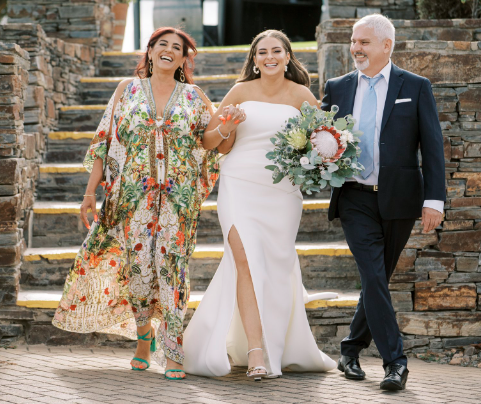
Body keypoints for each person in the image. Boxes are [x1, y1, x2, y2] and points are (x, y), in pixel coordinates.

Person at [52, 27, 219, 380]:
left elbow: (211, 142)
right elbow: (103, 143)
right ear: (150, 50)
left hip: (179, 199)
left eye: (178, 48)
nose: (169, 51)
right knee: (140, 272)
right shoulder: (125, 90)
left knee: (171, 270)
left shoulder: (194, 96)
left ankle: (173, 350)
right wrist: (89, 193)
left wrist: (228, 127)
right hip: (132, 198)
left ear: (183, 59)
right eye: (163, 45)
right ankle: (144, 340)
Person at [183, 30, 336, 380]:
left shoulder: (302, 96)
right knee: (246, 262)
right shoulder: (240, 91)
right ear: (254, 59)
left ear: (287, 56)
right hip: (238, 185)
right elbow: (212, 144)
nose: (269, 56)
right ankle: (256, 351)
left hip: (281, 193)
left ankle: (279, 346)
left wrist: (315, 164)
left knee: (276, 267)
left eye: (276, 51)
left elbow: (328, 143)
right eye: (262, 51)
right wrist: (228, 127)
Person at [321, 14, 446, 391]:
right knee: (373, 276)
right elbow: (322, 136)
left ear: (386, 45)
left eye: (363, 42)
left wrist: (434, 199)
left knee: (378, 280)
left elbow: (433, 146)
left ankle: (350, 348)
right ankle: (396, 362)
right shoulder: (337, 87)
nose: (355, 48)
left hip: (400, 200)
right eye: (353, 42)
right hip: (354, 199)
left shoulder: (416, 86)